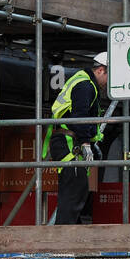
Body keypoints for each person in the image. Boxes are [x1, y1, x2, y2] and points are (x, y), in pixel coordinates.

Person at [45, 52, 109, 226]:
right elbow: (80, 116)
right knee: (74, 191)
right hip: (69, 142)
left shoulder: (84, 82)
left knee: (78, 190)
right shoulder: (85, 85)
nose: (109, 83)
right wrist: (86, 142)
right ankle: (63, 239)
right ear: (101, 70)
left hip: (69, 141)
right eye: (109, 76)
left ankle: (73, 236)